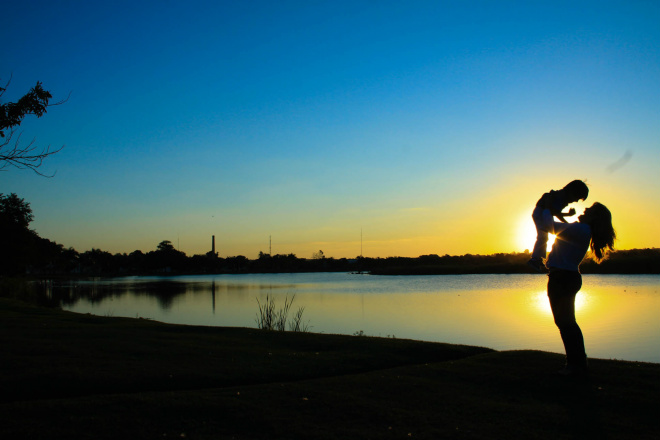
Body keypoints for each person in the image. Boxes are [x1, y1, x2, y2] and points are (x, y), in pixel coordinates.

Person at [539, 202, 616, 376]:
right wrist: (555, 212)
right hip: (563, 277)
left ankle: (576, 365)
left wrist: (544, 208)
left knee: (566, 323)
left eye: (589, 210)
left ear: (594, 217)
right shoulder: (580, 230)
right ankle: (576, 363)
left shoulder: (581, 230)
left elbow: (547, 226)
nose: (584, 210)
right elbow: (560, 226)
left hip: (563, 279)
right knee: (565, 322)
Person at [528, 180, 590, 272]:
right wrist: (567, 219)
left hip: (544, 212)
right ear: (572, 191)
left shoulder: (563, 199)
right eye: (577, 197)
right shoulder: (561, 197)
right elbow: (554, 212)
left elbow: (554, 212)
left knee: (544, 237)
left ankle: (538, 259)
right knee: (542, 237)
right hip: (540, 212)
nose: (576, 201)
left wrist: (567, 218)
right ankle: (535, 259)